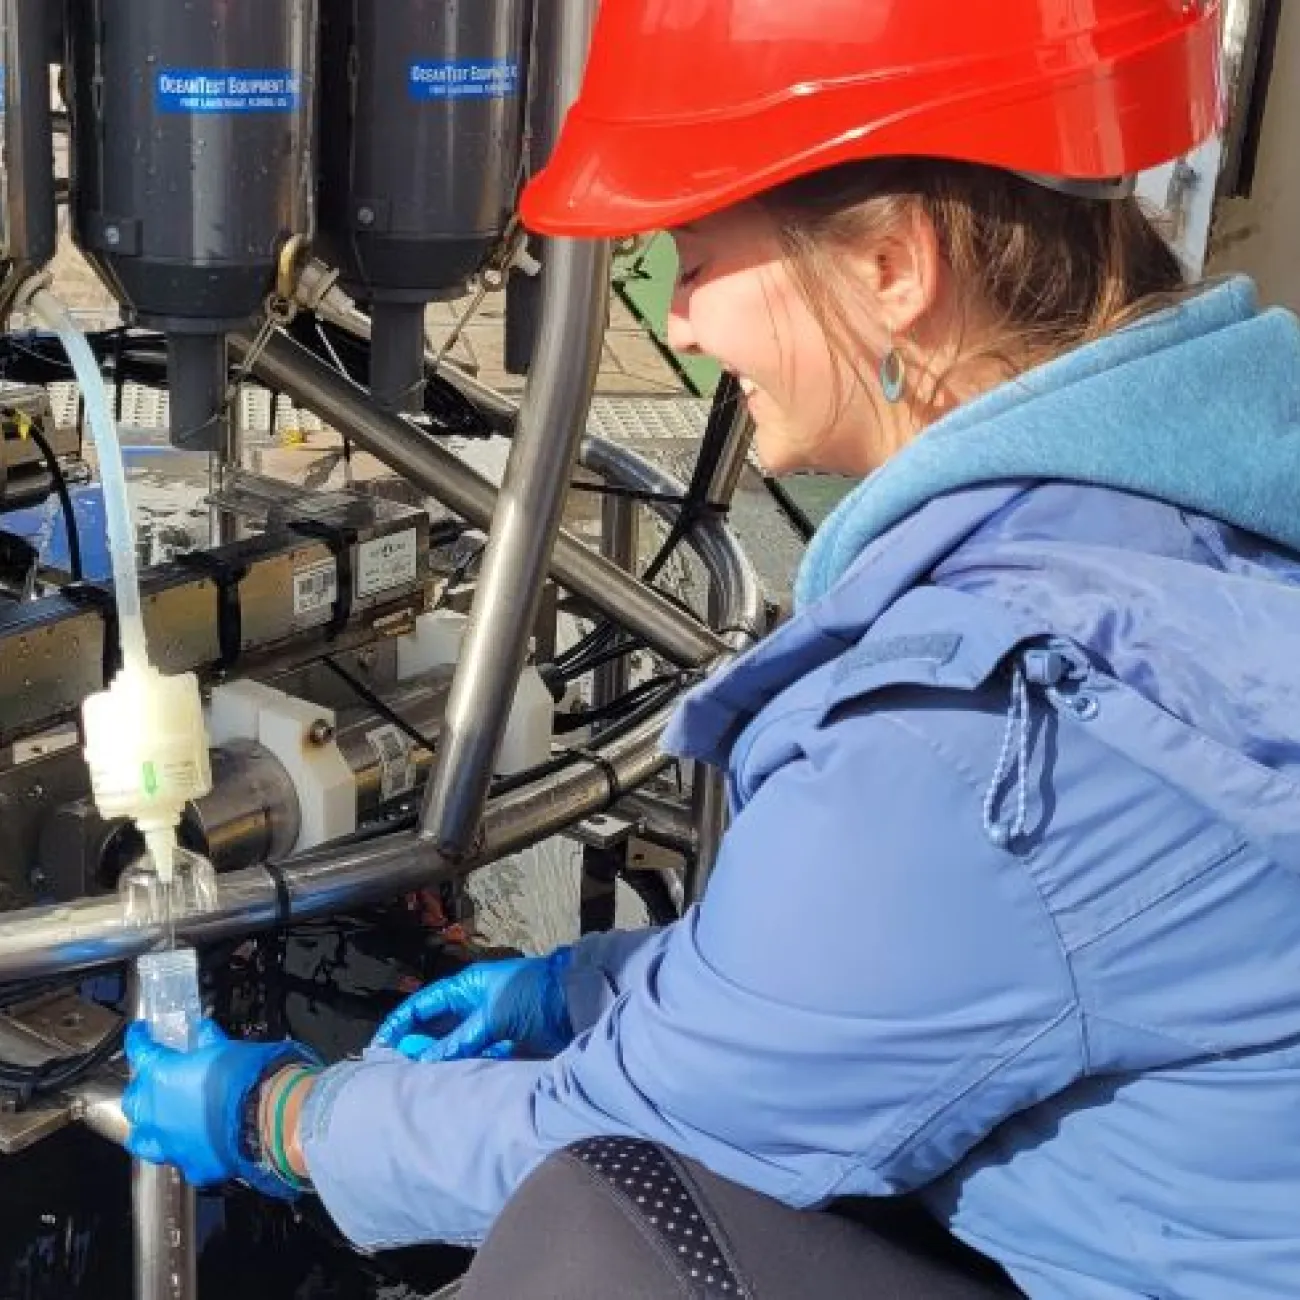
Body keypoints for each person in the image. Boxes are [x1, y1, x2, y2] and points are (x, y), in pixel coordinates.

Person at [123, 1, 1300, 1295]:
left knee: (598, 1242)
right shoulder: (1193, 522)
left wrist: (277, 1119)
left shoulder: (966, 745)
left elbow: (617, 1134)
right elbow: (894, 988)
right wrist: (574, 990)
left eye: (694, 257)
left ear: (893, 270)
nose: (678, 325)